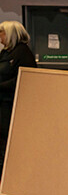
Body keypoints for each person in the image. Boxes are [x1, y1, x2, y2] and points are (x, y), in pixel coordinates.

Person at [0, 21, 37, 163]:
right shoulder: (5, 52)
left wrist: (2, 86)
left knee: (8, 136)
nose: (0, 36)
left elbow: (25, 79)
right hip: (3, 101)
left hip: (11, 104)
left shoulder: (22, 53)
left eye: (1, 32)